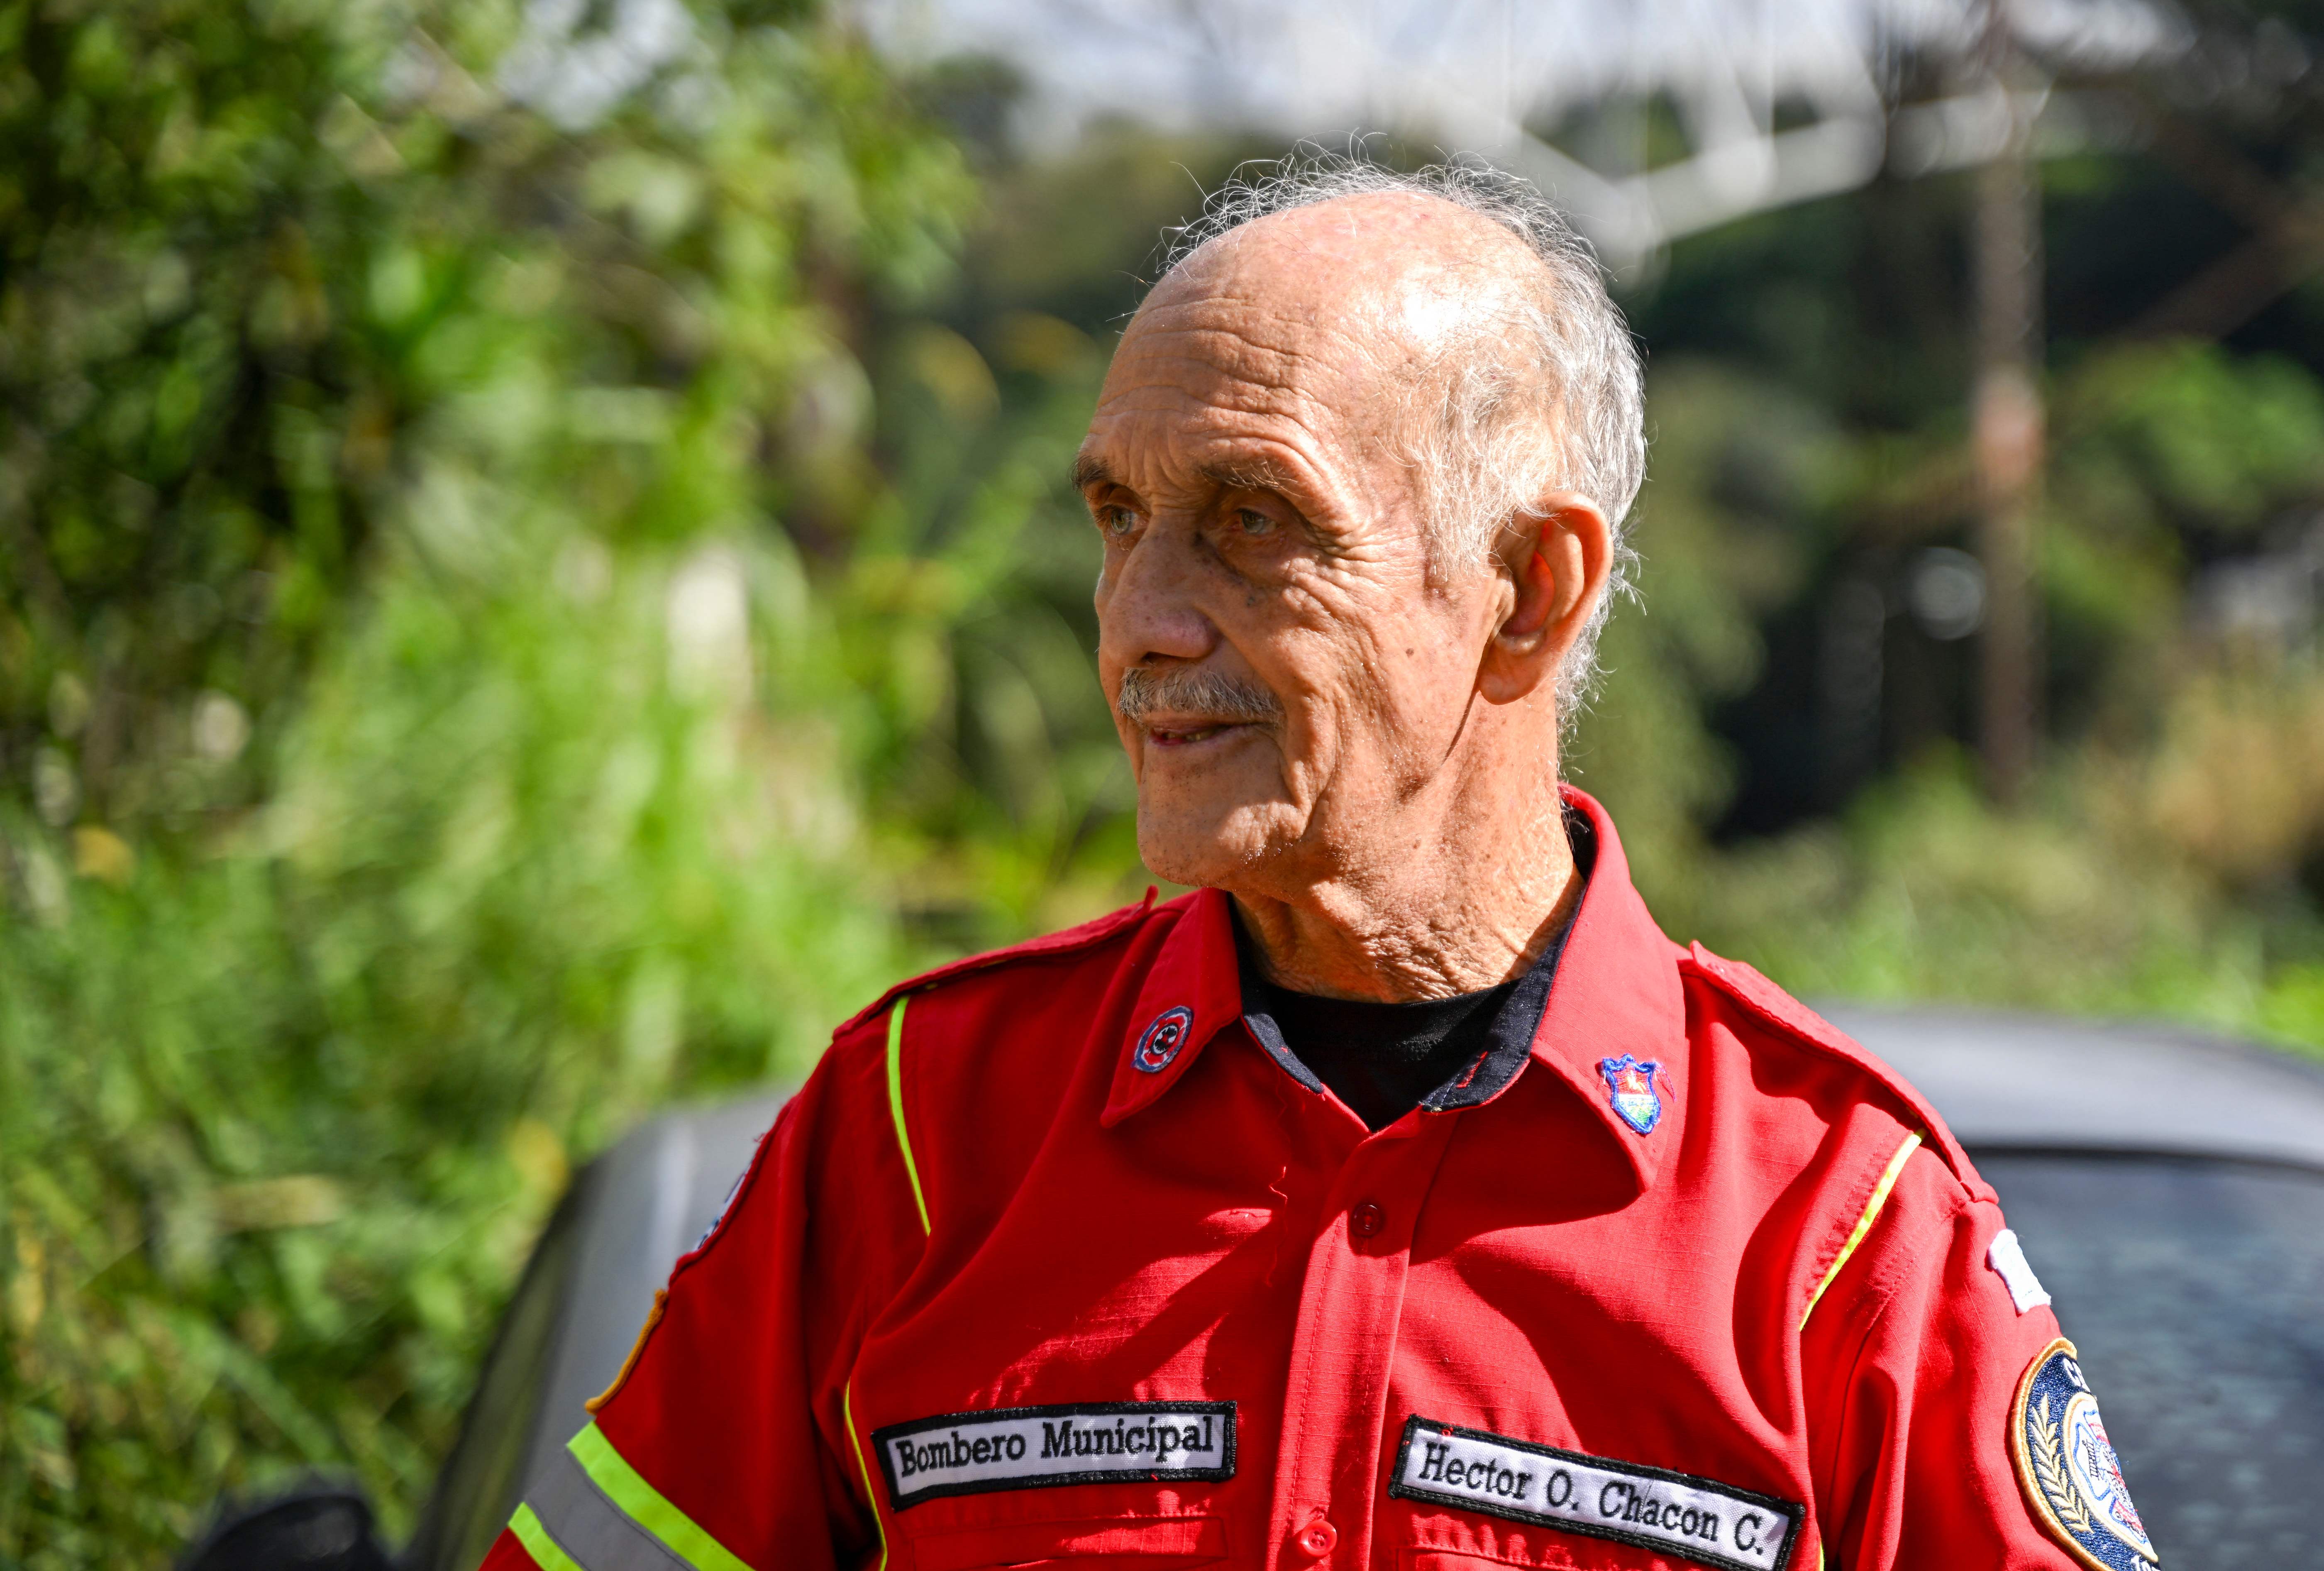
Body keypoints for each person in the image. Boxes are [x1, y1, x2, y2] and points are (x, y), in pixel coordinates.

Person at [480, 158, 2154, 1571]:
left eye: (1252, 522)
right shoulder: (918, 1132)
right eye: (1116, 516)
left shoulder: (1837, 1225)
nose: (1138, 623)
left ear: (1527, 590)